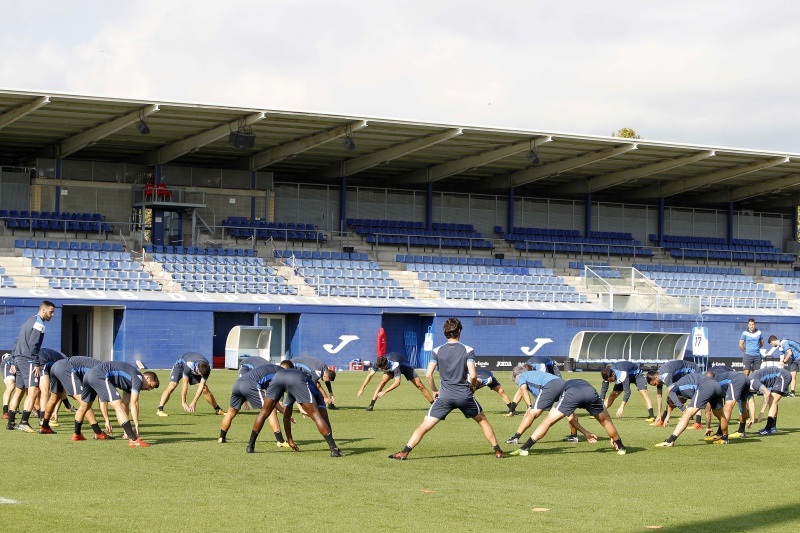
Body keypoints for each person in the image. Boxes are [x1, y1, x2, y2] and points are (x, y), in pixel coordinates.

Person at [388, 317, 507, 460]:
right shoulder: (468, 350)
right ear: (459, 331)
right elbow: (473, 375)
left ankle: (405, 452)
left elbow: (428, 375)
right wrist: (472, 388)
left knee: (425, 425)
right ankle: (498, 451)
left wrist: (434, 390)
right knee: (482, 420)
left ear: (445, 332)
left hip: (444, 397)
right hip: (464, 395)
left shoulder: (437, 350)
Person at [509, 379, 627, 456]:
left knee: (548, 421)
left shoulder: (565, 390)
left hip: (573, 394)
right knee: (606, 422)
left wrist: (586, 433)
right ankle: (621, 447)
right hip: (591, 392)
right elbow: (607, 421)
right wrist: (612, 436)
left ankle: (525, 448)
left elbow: (570, 418)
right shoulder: (582, 383)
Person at [246, 366, 344, 457]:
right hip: (297, 380)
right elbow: (324, 418)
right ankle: (334, 449)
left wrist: (290, 440)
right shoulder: (317, 395)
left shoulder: (291, 392)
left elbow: (286, 417)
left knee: (264, 412)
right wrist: (331, 441)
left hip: (278, 376)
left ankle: (250, 446)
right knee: (316, 414)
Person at [74, 361, 160, 447]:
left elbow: (125, 404)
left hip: (89, 375)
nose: (149, 389)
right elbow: (134, 402)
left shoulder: (130, 381)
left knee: (84, 406)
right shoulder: (138, 378)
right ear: (147, 378)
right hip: (99, 375)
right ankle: (134, 440)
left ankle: (77, 434)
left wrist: (126, 431)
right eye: (150, 386)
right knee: (118, 406)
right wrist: (136, 425)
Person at [6, 300, 55, 433]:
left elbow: (18, 341)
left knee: (19, 391)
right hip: (28, 360)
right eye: (51, 312)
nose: (52, 315)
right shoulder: (39, 324)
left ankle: (10, 422)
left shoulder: (29, 321)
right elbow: (34, 346)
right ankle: (24, 422)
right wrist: (36, 363)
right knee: (33, 391)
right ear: (43, 310)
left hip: (19, 359)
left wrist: (14, 360)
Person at [218, 362, 293, 447]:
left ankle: (221, 437)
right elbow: (272, 401)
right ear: (288, 371)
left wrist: (284, 412)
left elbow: (272, 399)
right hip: (250, 385)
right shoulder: (280, 374)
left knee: (230, 412)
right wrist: (285, 412)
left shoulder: (271, 368)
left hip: (238, 384)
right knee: (270, 410)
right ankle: (281, 441)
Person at [39, 356, 112, 439]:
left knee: (53, 398)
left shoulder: (100, 366)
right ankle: (98, 432)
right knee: (85, 402)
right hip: (66, 368)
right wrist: (106, 419)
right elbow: (103, 399)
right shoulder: (103, 373)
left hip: (56, 366)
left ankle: (44, 427)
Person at [655, 373, 729, 447]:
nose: (681, 403)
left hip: (705, 386)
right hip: (716, 385)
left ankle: (670, 441)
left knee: (686, 415)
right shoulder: (687, 388)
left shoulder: (677, 386)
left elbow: (671, 393)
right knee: (721, 416)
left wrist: (682, 408)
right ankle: (725, 439)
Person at [504, 365, 569, 444]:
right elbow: (521, 392)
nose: (516, 382)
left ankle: (515, 438)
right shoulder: (534, 375)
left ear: (515, 375)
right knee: (567, 410)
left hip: (550, 386)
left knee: (532, 413)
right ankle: (574, 436)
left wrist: (529, 406)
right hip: (563, 383)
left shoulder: (521, 376)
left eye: (514, 380)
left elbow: (523, 390)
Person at [357, 352, 434, 411]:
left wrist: (384, 391)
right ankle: (371, 405)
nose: (382, 370)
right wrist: (362, 388)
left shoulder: (394, 365)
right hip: (390, 369)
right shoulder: (378, 363)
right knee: (382, 381)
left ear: (386, 364)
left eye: (383, 368)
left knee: (420, 385)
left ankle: (434, 405)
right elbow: (370, 375)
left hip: (405, 367)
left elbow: (397, 383)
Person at [156, 352, 224, 417]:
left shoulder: (207, 368)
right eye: (199, 374)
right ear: (197, 368)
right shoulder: (189, 364)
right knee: (173, 385)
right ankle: (160, 409)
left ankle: (218, 409)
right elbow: (184, 384)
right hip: (180, 365)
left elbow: (201, 385)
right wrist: (184, 402)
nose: (200, 375)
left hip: (194, 370)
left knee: (204, 388)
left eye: (201, 375)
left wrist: (194, 402)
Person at [705, 369, 765, 440]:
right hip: (745, 379)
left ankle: (721, 434)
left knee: (728, 407)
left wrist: (708, 427)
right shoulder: (720, 379)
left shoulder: (712, 384)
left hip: (736, 380)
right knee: (743, 406)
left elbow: (708, 409)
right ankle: (741, 431)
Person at [645, 359, 699, 427]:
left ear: (656, 377)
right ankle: (662, 420)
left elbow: (671, 397)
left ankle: (698, 423)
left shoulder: (666, 376)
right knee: (680, 397)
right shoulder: (659, 377)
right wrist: (659, 414)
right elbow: (659, 396)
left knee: (696, 394)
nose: (656, 386)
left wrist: (668, 416)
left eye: (655, 384)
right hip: (684, 376)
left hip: (692, 370)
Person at [747, 366, 791, 436]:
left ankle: (767, 429)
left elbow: (767, 393)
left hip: (782, 375)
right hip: (777, 379)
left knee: (772, 401)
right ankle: (772, 428)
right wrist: (752, 418)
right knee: (772, 400)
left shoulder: (753, 382)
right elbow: (751, 402)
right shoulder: (746, 387)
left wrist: (762, 412)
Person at [2, 353, 14, 420]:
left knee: (22, 388)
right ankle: (5, 412)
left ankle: (14, 408)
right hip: (9, 363)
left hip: (22, 364)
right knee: (11, 385)